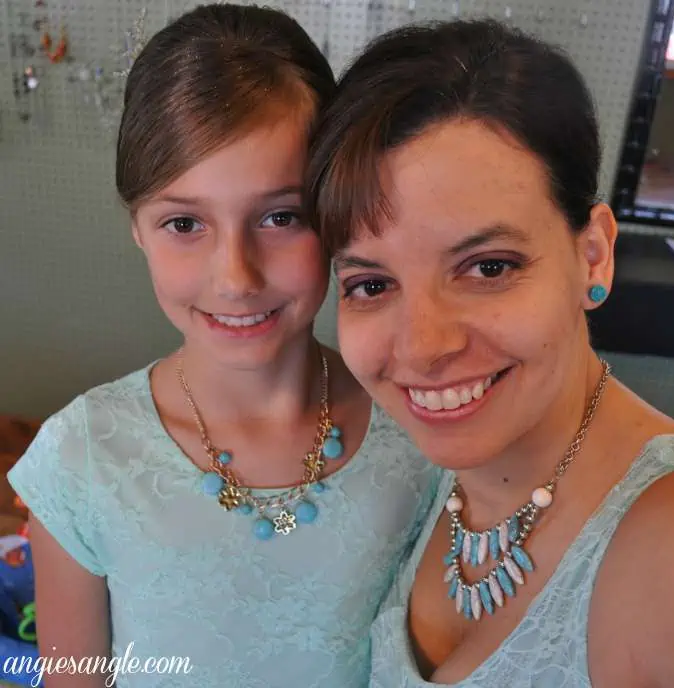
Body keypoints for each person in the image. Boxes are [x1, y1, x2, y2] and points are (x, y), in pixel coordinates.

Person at [306, 18, 674, 687]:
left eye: (487, 268)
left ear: (591, 254)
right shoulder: (423, 486)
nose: (422, 347)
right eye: (371, 283)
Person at [8, 5, 440, 687]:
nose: (236, 277)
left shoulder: (423, 437)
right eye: (185, 222)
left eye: (281, 216)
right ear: (138, 229)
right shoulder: (82, 460)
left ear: (333, 216)